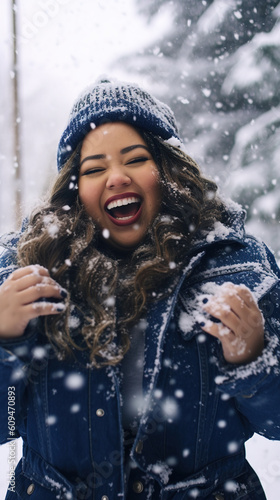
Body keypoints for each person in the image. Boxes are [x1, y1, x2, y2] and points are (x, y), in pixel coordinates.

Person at [0, 78, 279, 500]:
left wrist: (253, 360)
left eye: (135, 159)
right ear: (74, 189)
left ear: (167, 171)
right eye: (94, 168)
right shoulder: (25, 272)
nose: (116, 177)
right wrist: (5, 341)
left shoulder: (236, 266)